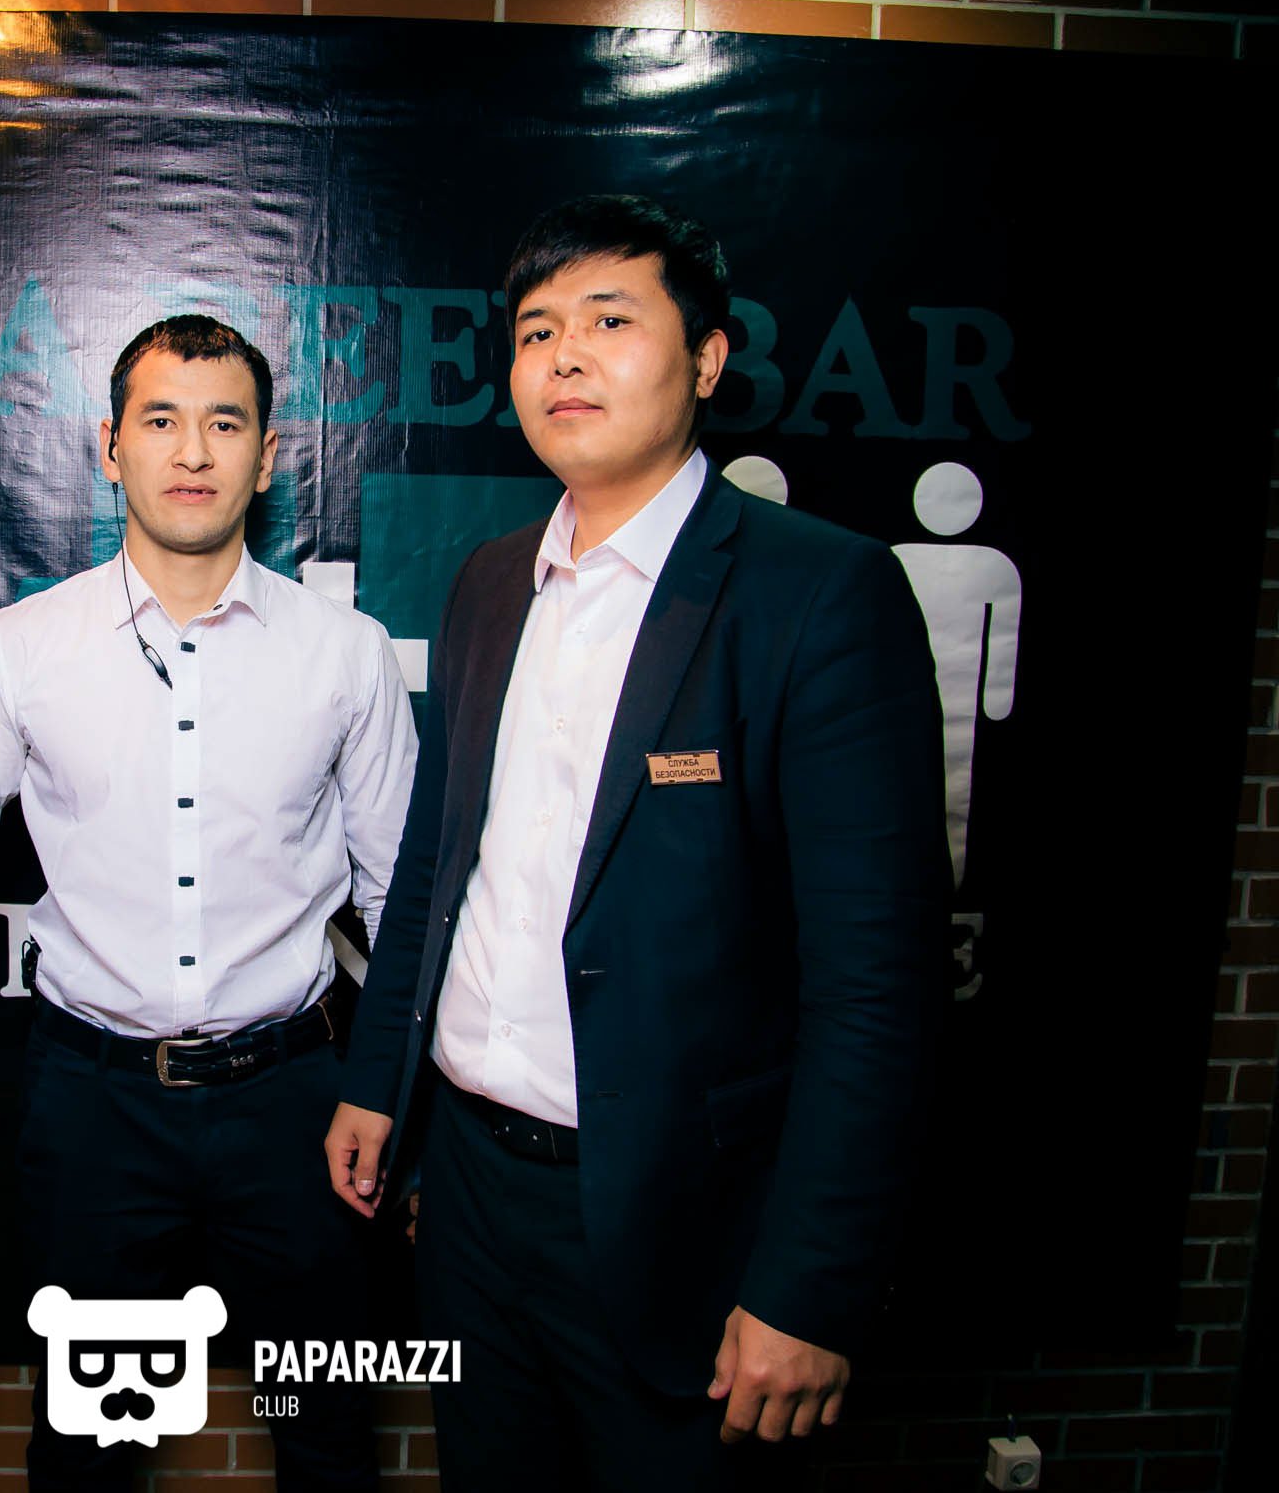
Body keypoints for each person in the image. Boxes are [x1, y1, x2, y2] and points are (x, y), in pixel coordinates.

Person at [324, 195, 949, 1489]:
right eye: (536, 330)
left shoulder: (817, 593)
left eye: (610, 321)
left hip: (679, 1225)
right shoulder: (489, 582)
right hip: (467, 1199)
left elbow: (877, 985)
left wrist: (810, 1287)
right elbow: (439, 868)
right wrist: (380, 1084)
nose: (564, 355)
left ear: (706, 359)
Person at [0, 315, 416, 1491]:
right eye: (162, 420)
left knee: (326, 1436)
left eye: (224, 423)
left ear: (267, 457)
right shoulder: (22, 647)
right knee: (91, 1450)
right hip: (95, 1109)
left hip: (297, 1107)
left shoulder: (346, 653)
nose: (193, 451)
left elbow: (400, 892)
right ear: (110, 446)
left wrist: (392, 1098)